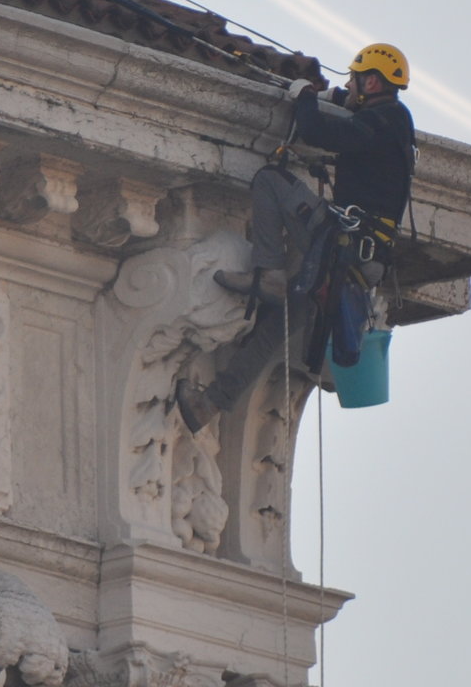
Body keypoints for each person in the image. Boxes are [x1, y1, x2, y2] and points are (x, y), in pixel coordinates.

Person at [175, 42, 416, 430]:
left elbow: (316, 130)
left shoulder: (385, 120)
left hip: (342, 245)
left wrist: (304, 97)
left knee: (271, 180)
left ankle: (269, 273)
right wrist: (333, 98)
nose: (348, 86)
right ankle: (208, 405)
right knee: (275, 327)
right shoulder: (390, 122)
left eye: (354, 80)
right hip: (354, 260)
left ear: (371, 82)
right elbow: (356, 128)